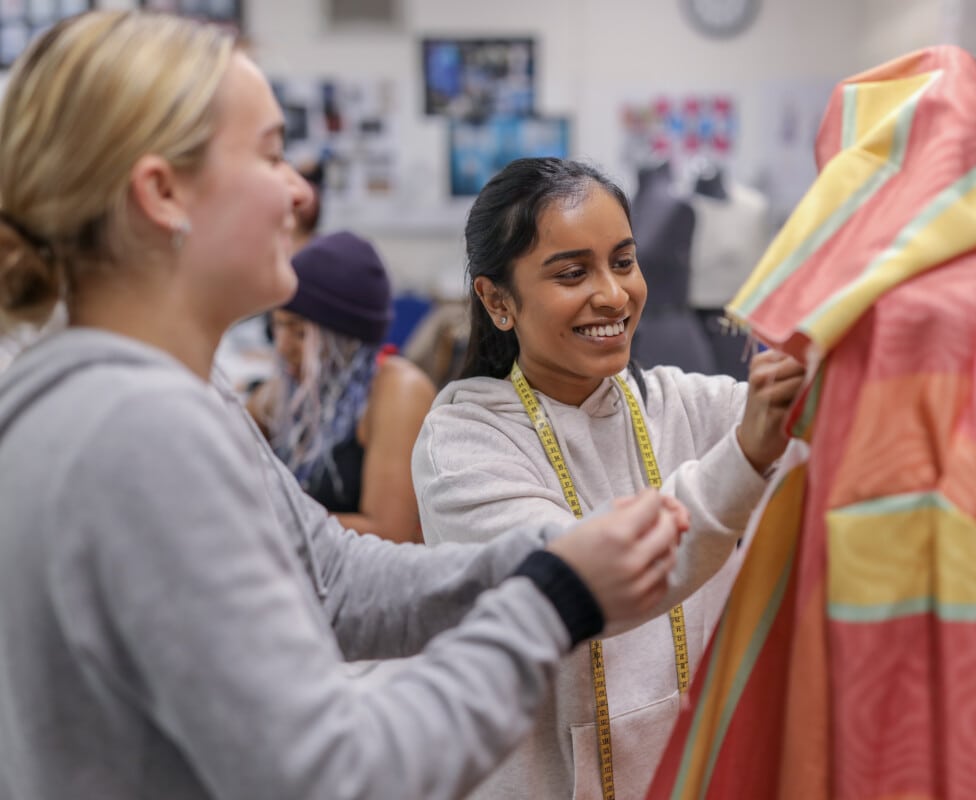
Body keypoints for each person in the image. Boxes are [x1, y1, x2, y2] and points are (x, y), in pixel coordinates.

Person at [0, 12, 692, 800]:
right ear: (162, 194)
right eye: (269, 155)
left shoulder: (180, 390)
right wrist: (556, 598)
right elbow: (336, 772)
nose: (299, 191)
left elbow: (330, 582)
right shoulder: (133, 428)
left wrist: (540, 556)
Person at [412, 157, 807, 799]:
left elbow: (809, 430)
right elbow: (589, 580)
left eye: (623, 262)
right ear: (497, 301)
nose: (613, 294)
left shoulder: (673, 402)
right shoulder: (461, 447)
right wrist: (745, 459)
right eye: (573, 273)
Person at [248, 231, 435, 542]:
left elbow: (389, 534)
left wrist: (261, 518)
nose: (282, 348)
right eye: (278, 326)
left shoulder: (398, 390)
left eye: (301, 333)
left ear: (346, 340)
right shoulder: (287, 393)